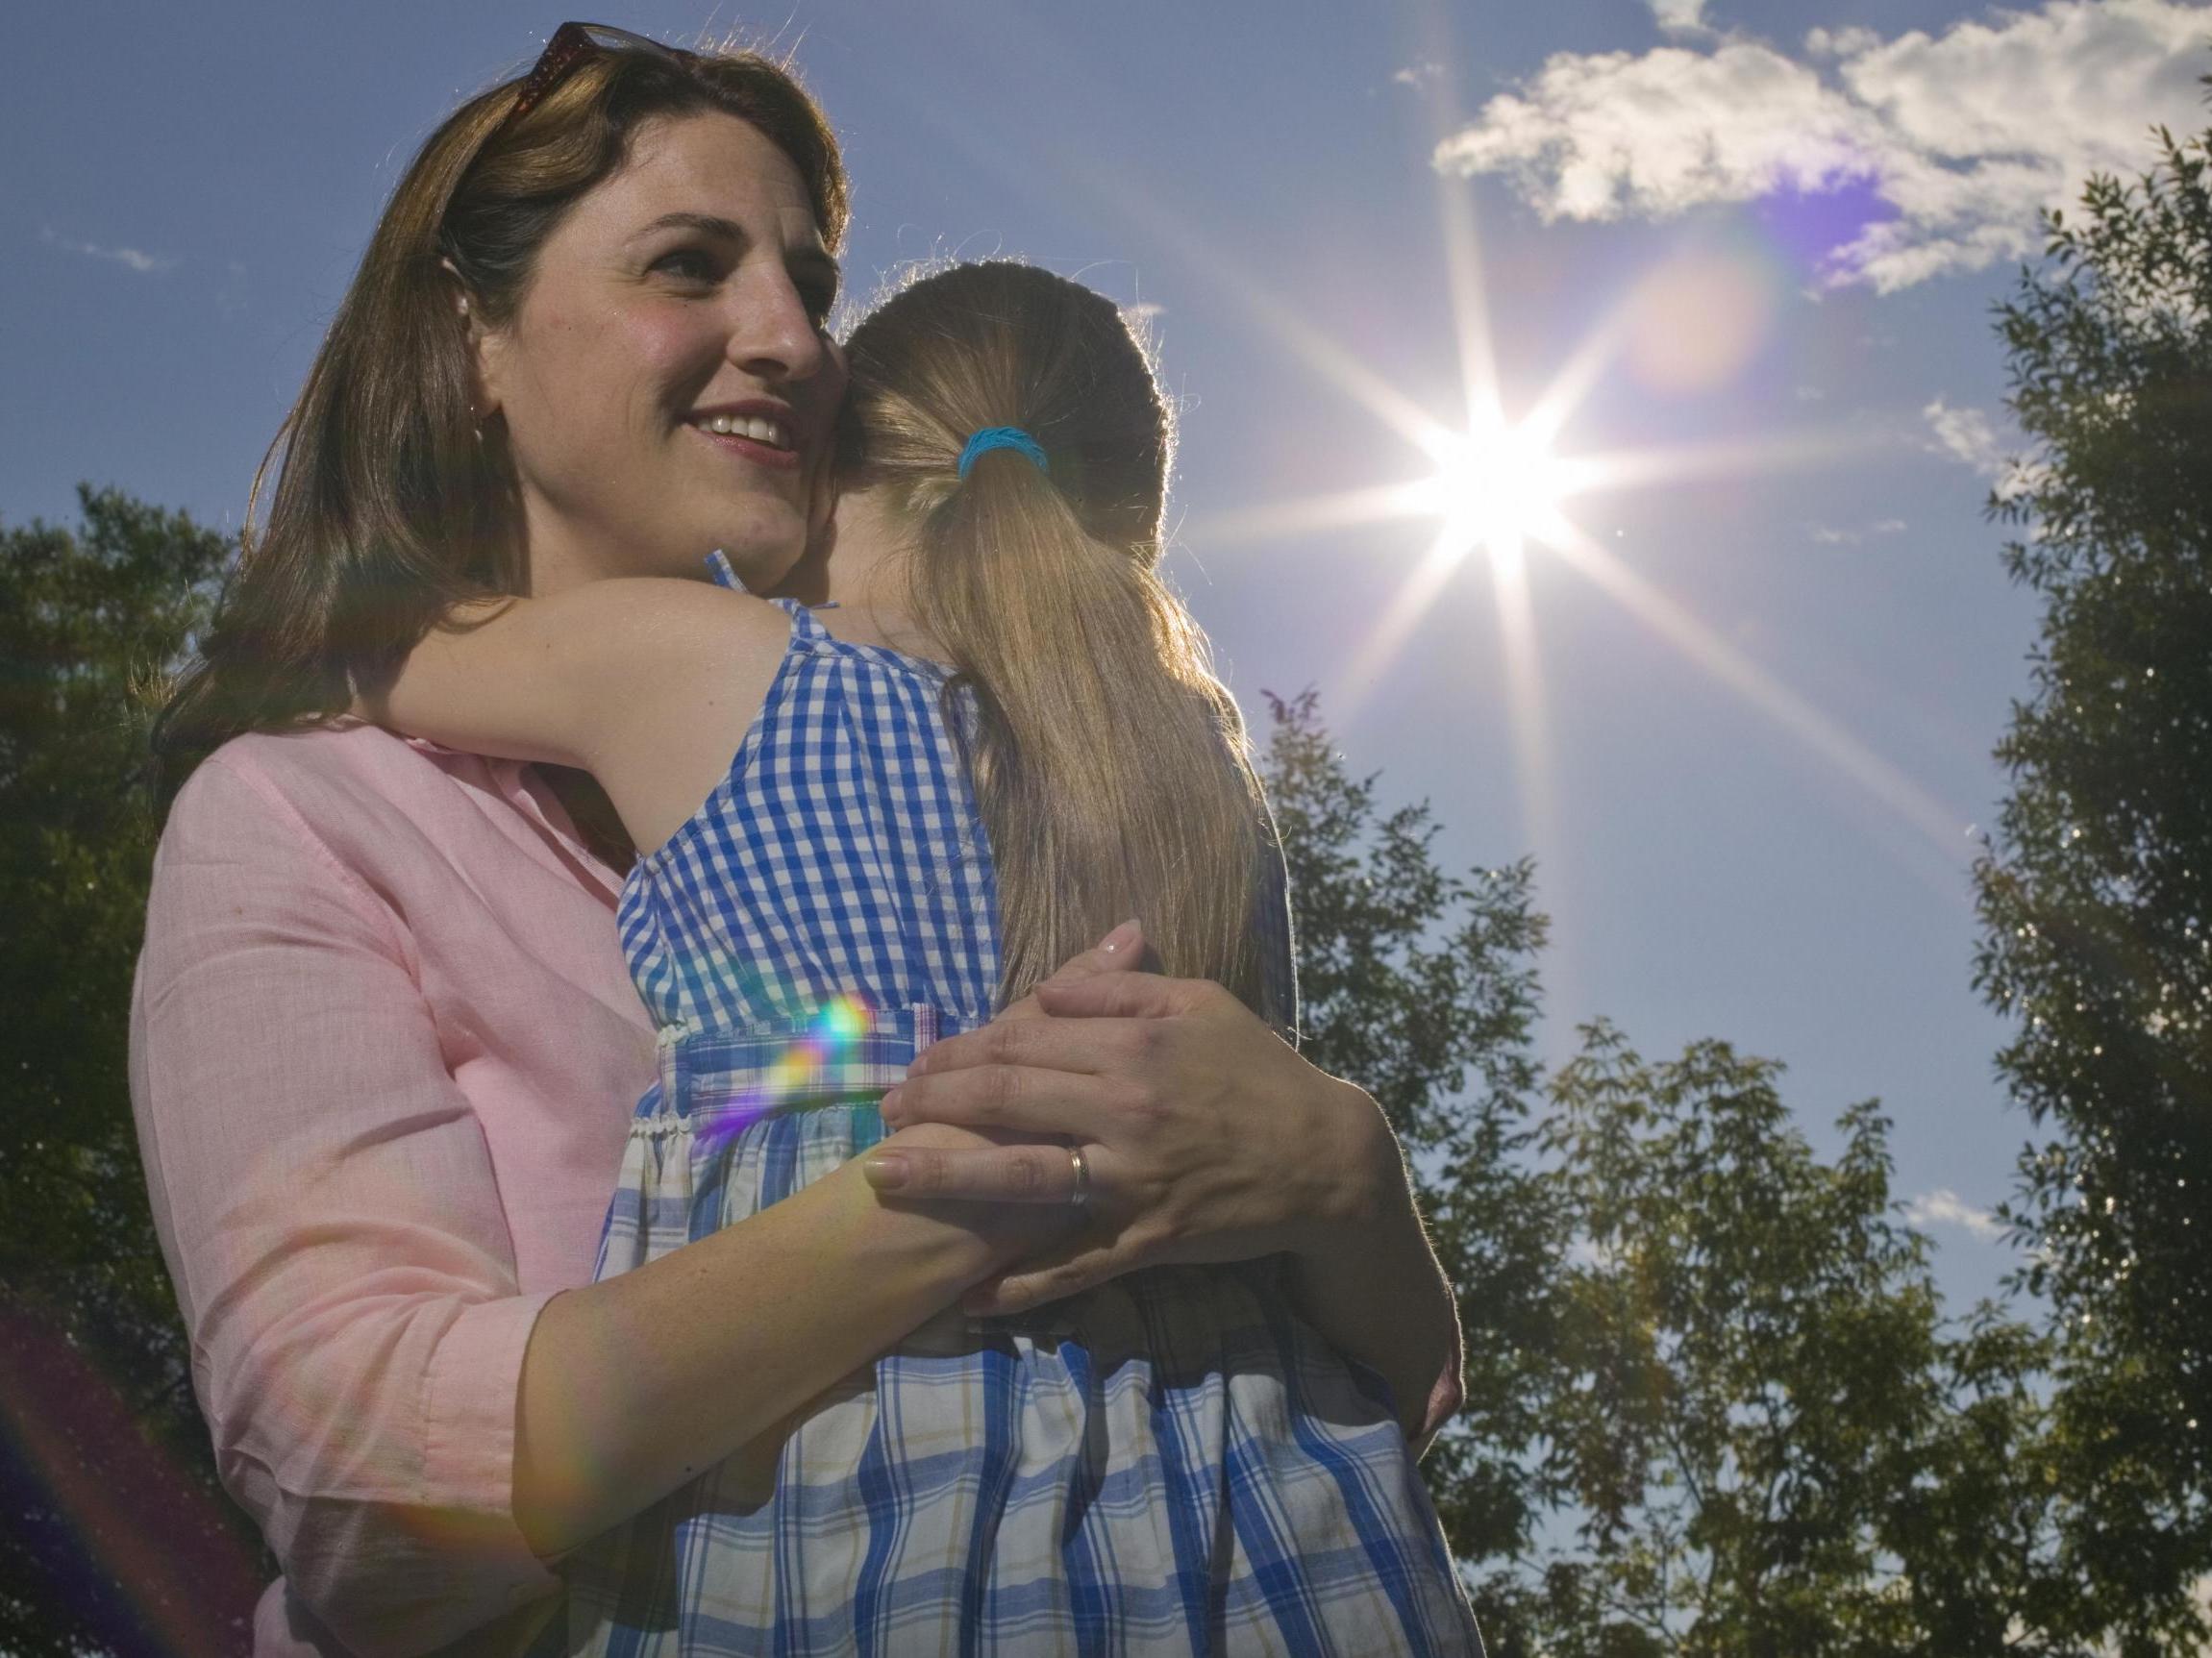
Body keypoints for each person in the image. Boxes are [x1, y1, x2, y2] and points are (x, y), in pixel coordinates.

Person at [131, 25, 1472, 1656]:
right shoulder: (310, 808)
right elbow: (363, 1492)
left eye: (813, 290)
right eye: (689, 265)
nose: (787, 338)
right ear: (472, 338)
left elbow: (1360, 1417)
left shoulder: (952, 749)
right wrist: (1004, 1183)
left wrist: (1345, 1180)